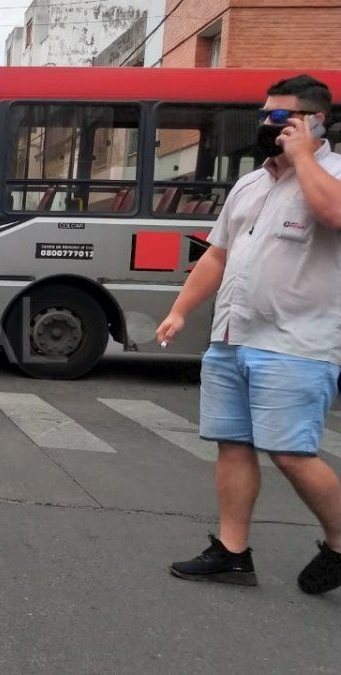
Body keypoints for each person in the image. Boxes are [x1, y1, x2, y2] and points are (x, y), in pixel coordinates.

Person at [157, 75, 341, 593]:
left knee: (290, 453)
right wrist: (180, 311)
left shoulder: (332, 173)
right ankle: (232, 553)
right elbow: (218, 253)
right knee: (232, 445)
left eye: (279, 117)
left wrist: (303, 157)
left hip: (297, 344)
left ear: (314, 121)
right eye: (266, 115)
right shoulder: (249, 183)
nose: (267, 125)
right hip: (232, 338)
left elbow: (333, 213)